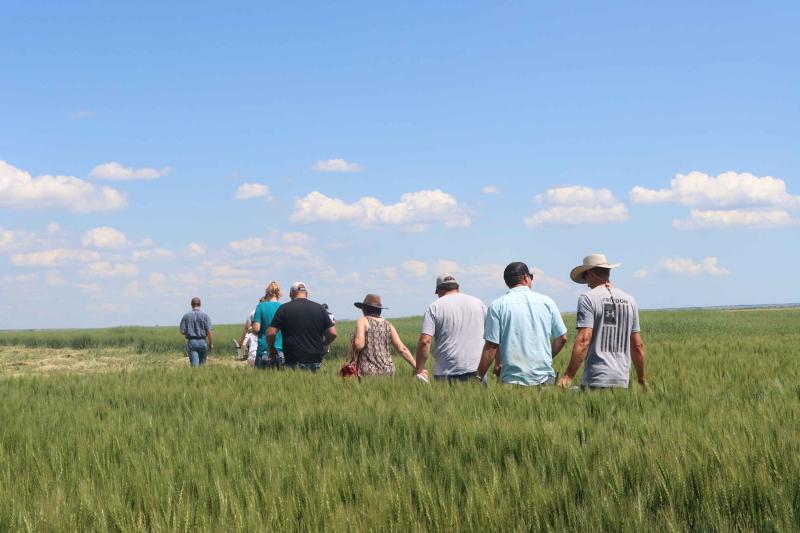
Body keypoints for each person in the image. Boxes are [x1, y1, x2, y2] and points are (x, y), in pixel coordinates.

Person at [556, 254, 647, 389]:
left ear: (591, 273)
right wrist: (641, 380)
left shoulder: (587, 298)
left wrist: (568, 376)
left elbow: (584, 340)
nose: (587, 283)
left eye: (585, 277)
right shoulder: (630, 300)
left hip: (596, 378)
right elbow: (637, 346)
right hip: (622, 380)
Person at [476, 262, 568, 385]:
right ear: (525, 277)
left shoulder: (497, 305)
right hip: (544, 378)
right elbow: (562, 338)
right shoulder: (547, 302)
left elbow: (492, 346)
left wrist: (478, 377)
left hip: (511, 380)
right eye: (531, 277)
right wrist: (546, 358)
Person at [414, 273, 487, 382]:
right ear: (457, 288)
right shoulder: (479, 304)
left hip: (446, 372)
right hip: (478, 371)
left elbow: (425, 341)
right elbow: (492, 338)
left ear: (439, 290)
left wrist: (419, 370)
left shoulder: (434, 307)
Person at [266, 281, 336, 371]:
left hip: (292, 360)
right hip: (315, 360)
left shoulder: (284, 308)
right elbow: (333, 333)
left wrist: (272, 349)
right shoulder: (320, 308)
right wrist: (323, 344)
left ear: (291, 293)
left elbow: (270, 333)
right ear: (307, 293)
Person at [349, 294, 416, 377]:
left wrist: (353, 341)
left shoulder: (362, 321)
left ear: (365, 309)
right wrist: (417, 367)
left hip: (368, 372)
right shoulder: (388, 325)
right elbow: (402, 349)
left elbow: (359, 345)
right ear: (379, 310)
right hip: (388, 371)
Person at [252, 282, 284, 368]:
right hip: (280, 348)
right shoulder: (283, 307)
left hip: (263, 348)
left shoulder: (260, 306)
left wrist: (251, 329)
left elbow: (256, 329)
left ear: (267, 293)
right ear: (278, 293)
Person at [179, 297, 214, 367]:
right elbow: (209, 332)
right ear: (200, 304)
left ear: (191, 305)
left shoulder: (186, 316)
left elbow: (182, 331)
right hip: (203, 341)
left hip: (192, 342)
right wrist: (211, 344)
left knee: (194, 366)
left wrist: (189, 332)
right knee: (202, 365)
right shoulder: (205, 316)